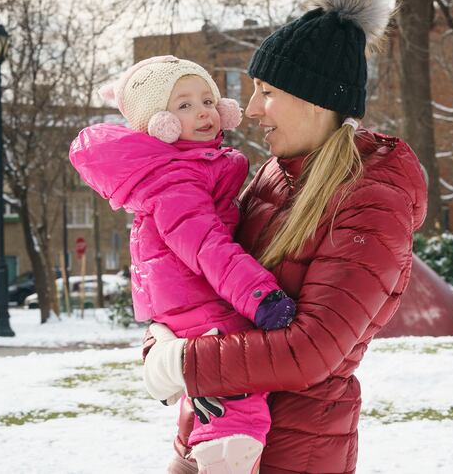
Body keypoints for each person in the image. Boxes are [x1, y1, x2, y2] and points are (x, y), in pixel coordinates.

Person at [142, 0, 427, 472]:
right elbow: (207, 277)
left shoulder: (373, 200)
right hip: (215, 434)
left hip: (295, 452)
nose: (251, 110)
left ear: (317, 99)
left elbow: (313, 349)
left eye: (267, 91)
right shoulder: (275, 175)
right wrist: (161, 337)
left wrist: (183, 364)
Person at [69, 55, 297, 474]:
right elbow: (206, 245)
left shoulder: (191, 166)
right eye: (184, 105)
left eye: (208, 100)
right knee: (236, 407)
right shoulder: (175, 181)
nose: (204, 112)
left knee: (207, 406)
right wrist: (260, 296)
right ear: (159, 122)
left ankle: (190, 462)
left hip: (193, 303)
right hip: (202, 304)